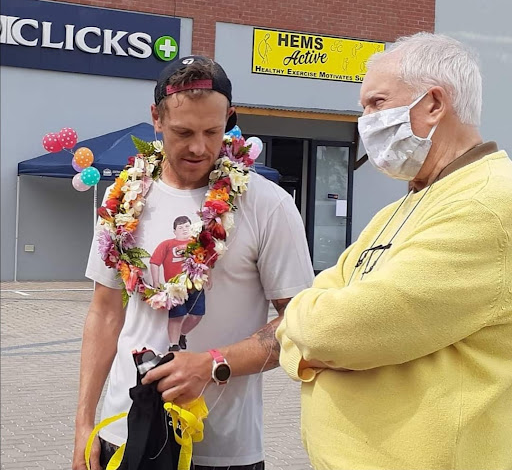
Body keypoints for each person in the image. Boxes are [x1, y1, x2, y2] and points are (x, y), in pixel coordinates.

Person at [277, 32, 512, 470]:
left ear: (434, 104)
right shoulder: (403, 207)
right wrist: (308, 332)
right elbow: (319, 312)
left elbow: (336, 330)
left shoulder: (486, 205)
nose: (364, 120)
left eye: (376, 103)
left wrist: (310, 330)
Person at [72, 55, 314, 470]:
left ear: (230, 119)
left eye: (213, 131)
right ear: (156, 118)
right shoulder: (123, 197)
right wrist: (82, 424)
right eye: (183, 132)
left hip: (223, 448)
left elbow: (301, 324)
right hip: (123, 432)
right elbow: (105, 312)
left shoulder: (268, 204)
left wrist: (213, 365)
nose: (199, 147)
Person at [149, 215, 206, 351]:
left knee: (197, 315)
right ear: (174, 231)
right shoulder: (166, 244)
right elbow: (154, 262)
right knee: (177, 316)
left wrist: (209, 278)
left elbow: (207, 260)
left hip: (195, 284)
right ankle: (173, 345)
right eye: (180, 228)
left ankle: (182, 334)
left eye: (187, 226)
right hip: (175, 288)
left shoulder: (197, 244)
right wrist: (156, 281)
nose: (184, 230)